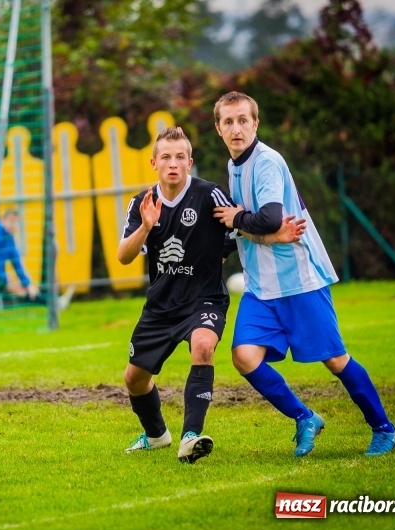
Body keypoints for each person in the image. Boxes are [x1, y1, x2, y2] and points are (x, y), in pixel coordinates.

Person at [212, 91, 395, 457]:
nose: (237, 128)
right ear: (218, 128)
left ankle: (384, 428)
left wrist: (239, 222)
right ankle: (304, 417)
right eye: (229, 122)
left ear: (256, 123)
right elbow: (261, 226)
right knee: (244, 356)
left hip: (298, 279)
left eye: (243, 120)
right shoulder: (234, 166)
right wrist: (241, 233)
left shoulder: (266, 161)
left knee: (335, 359)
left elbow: (265, 217)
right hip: (261, 286)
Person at [119, 126, 304, 462]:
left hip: (204, 299)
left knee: (203, 346)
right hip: (160, 306)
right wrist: (146, 226)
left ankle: (191, 436)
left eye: (179, 157)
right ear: (153, 163)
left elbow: (239, 228)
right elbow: (124, 256)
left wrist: (273, 236)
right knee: (134, 379)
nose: (172, 163)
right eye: (165, 157)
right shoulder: (142, 203)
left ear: (189, 161)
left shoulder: (209, 195)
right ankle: (157, 435)